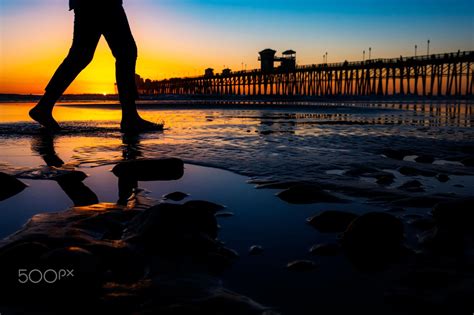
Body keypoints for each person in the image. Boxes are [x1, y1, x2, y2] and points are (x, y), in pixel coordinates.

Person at [29, 0, 161, 132]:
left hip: (86, 4)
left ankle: (44, 106)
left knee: (81, 55)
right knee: (125, 52)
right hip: (104, 3)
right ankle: (130, 117)